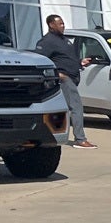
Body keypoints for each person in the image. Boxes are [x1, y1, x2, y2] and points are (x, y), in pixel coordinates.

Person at [37, 13, 93, 148]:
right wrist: (58, 74)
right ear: (51, 25)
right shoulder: (47, 41)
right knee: (76, 106)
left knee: (63, 109)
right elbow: (40, 61)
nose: (63, 26)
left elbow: (67, 59)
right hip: (63, 79)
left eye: (63, 23)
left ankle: (51, 136)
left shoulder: (65, 40)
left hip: (73, 77)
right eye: (60, 24)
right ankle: (80, 139)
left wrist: (80, 62)